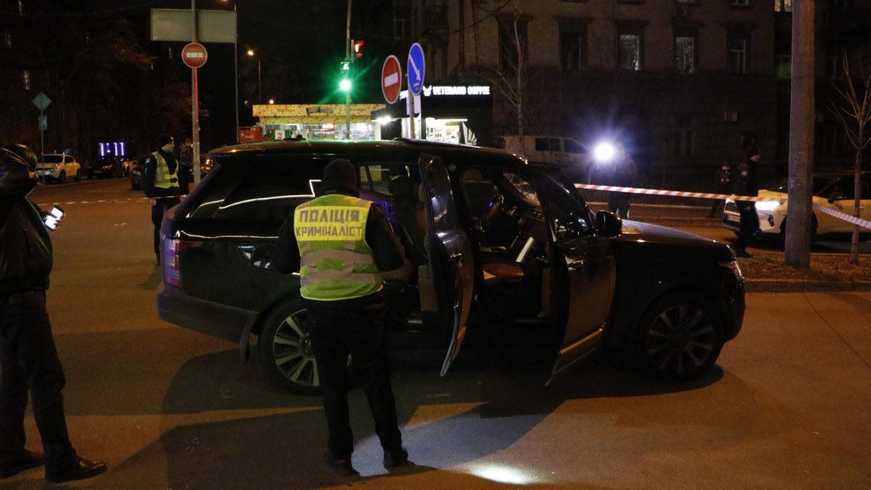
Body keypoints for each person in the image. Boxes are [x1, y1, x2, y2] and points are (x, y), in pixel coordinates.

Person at [272, 159, 409, 476]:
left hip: (320, 311)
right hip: (364, 310)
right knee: (376, 383)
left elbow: (282, 264)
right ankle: (393, 452)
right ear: (353, 183)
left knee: (333, 387)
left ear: (324, 184)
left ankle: (340, 457)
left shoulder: (300, 213)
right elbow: (391, 261)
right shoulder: (365, 211)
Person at [0, 144, 108, 483]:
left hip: (14, 296)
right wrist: (22, 159)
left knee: (14, 378)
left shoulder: (12, 202)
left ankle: (8, 453)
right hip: (19, 299)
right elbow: (18, 175)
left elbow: (29, 223)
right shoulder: (5, 192)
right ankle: (60, 461)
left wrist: (47, 222)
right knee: (46, 378)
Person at [142, 135, 183, 264]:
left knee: (175, 225)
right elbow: (147, 178)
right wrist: (151, 196)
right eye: (172, 143)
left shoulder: (174, 157)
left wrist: (181, 193)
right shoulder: (154, 158)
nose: (174, 145)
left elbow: (178, 176)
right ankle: (159, 254)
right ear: (167, 144)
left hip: (174, 196)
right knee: (158, 225)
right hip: (159, 197)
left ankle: (174, 252)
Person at [732, 139, 761, 257]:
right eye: (758, 153)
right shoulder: (746, 166)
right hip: (745, 202)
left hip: (748, 201)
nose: (760, 156)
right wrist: (746, 204)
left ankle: (738, 247)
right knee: (750, 225)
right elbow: (742, 185)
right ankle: (739, 248)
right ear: (754, 154)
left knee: (749, 224)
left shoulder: (752, 166)